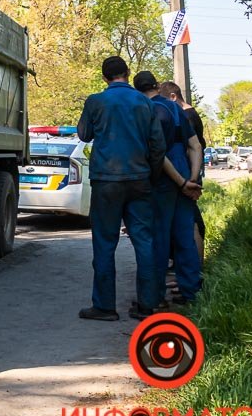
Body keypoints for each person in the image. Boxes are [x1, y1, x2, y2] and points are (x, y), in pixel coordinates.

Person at [76, 57, 201, 321]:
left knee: (104, 242)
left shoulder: (95, 101)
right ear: (127, 73)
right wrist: (151, 174)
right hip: (140, 181)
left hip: (106, 181)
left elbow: (84, 135)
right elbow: (157, 145)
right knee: (144, 241)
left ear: (104, 78)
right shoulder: (145, 103)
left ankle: (104, 306)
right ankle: (147, 305)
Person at [136, 72, 203, 309]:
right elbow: (194, 146)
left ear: (138, 90)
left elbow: (158, 154)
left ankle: (155, 297)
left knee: (159, 239)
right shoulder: (176, 110)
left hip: (164, 180)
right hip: (185, 173)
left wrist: (181, 183)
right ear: (156, 86)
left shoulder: (146, 111)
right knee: (185, 236)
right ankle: (190, 292)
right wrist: (192, 179)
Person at [159, 81, 208, 260]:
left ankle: (195, 271)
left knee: (191, 223)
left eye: (164, 100)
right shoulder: (188, 113)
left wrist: (190, 179)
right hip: (188, 175)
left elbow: (193, 147)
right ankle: (188, 271)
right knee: (187, 222)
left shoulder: (186, 115)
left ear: (173, 97)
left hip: (187, 175)